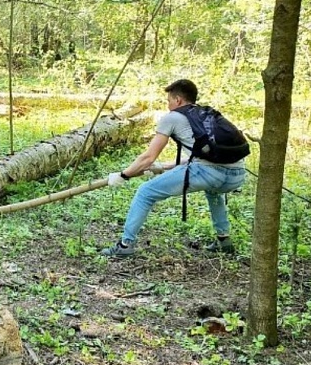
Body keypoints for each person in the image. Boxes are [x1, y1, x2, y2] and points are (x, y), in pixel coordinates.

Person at [100, 79, 246, 257]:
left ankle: (125, 245)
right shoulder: (205, 115)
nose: (168, 105)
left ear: (178, 100)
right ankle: (224, 241)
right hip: (237, 175)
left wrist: (123, 175)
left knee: (145, 192)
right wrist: (165, 166)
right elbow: (203, 155)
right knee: (213, 191)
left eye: (169, 100)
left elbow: (148, 157)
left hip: (209, 174)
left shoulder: (172, 117)